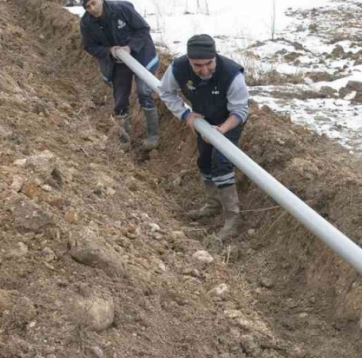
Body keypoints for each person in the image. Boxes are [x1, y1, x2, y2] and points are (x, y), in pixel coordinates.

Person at [157, 34, 250, 242]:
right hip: (203, 119)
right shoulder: (179, 68)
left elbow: (241, 109)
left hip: (230, 120)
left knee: (221, 162)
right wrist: (186, 114)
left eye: (209, 63)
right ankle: (212, 204)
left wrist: (222, 129)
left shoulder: (231, 74)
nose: (205, 70)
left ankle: (233, 219)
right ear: (189, 61)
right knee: (204, 160)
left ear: (215, 56)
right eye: (198, 65)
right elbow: (165, 92)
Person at [79, 0, 162, 150]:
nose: (92, 8)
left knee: (144, 93)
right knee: (120, 98)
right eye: (88, 7)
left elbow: (143, 29)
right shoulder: (86, 23)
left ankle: (153, 137)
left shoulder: (122, 9)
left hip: (140, 53)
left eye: (94, 3)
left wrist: (131, 47)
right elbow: (89, 46)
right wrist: (108, 51)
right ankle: (124, 139)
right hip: (116, 60)